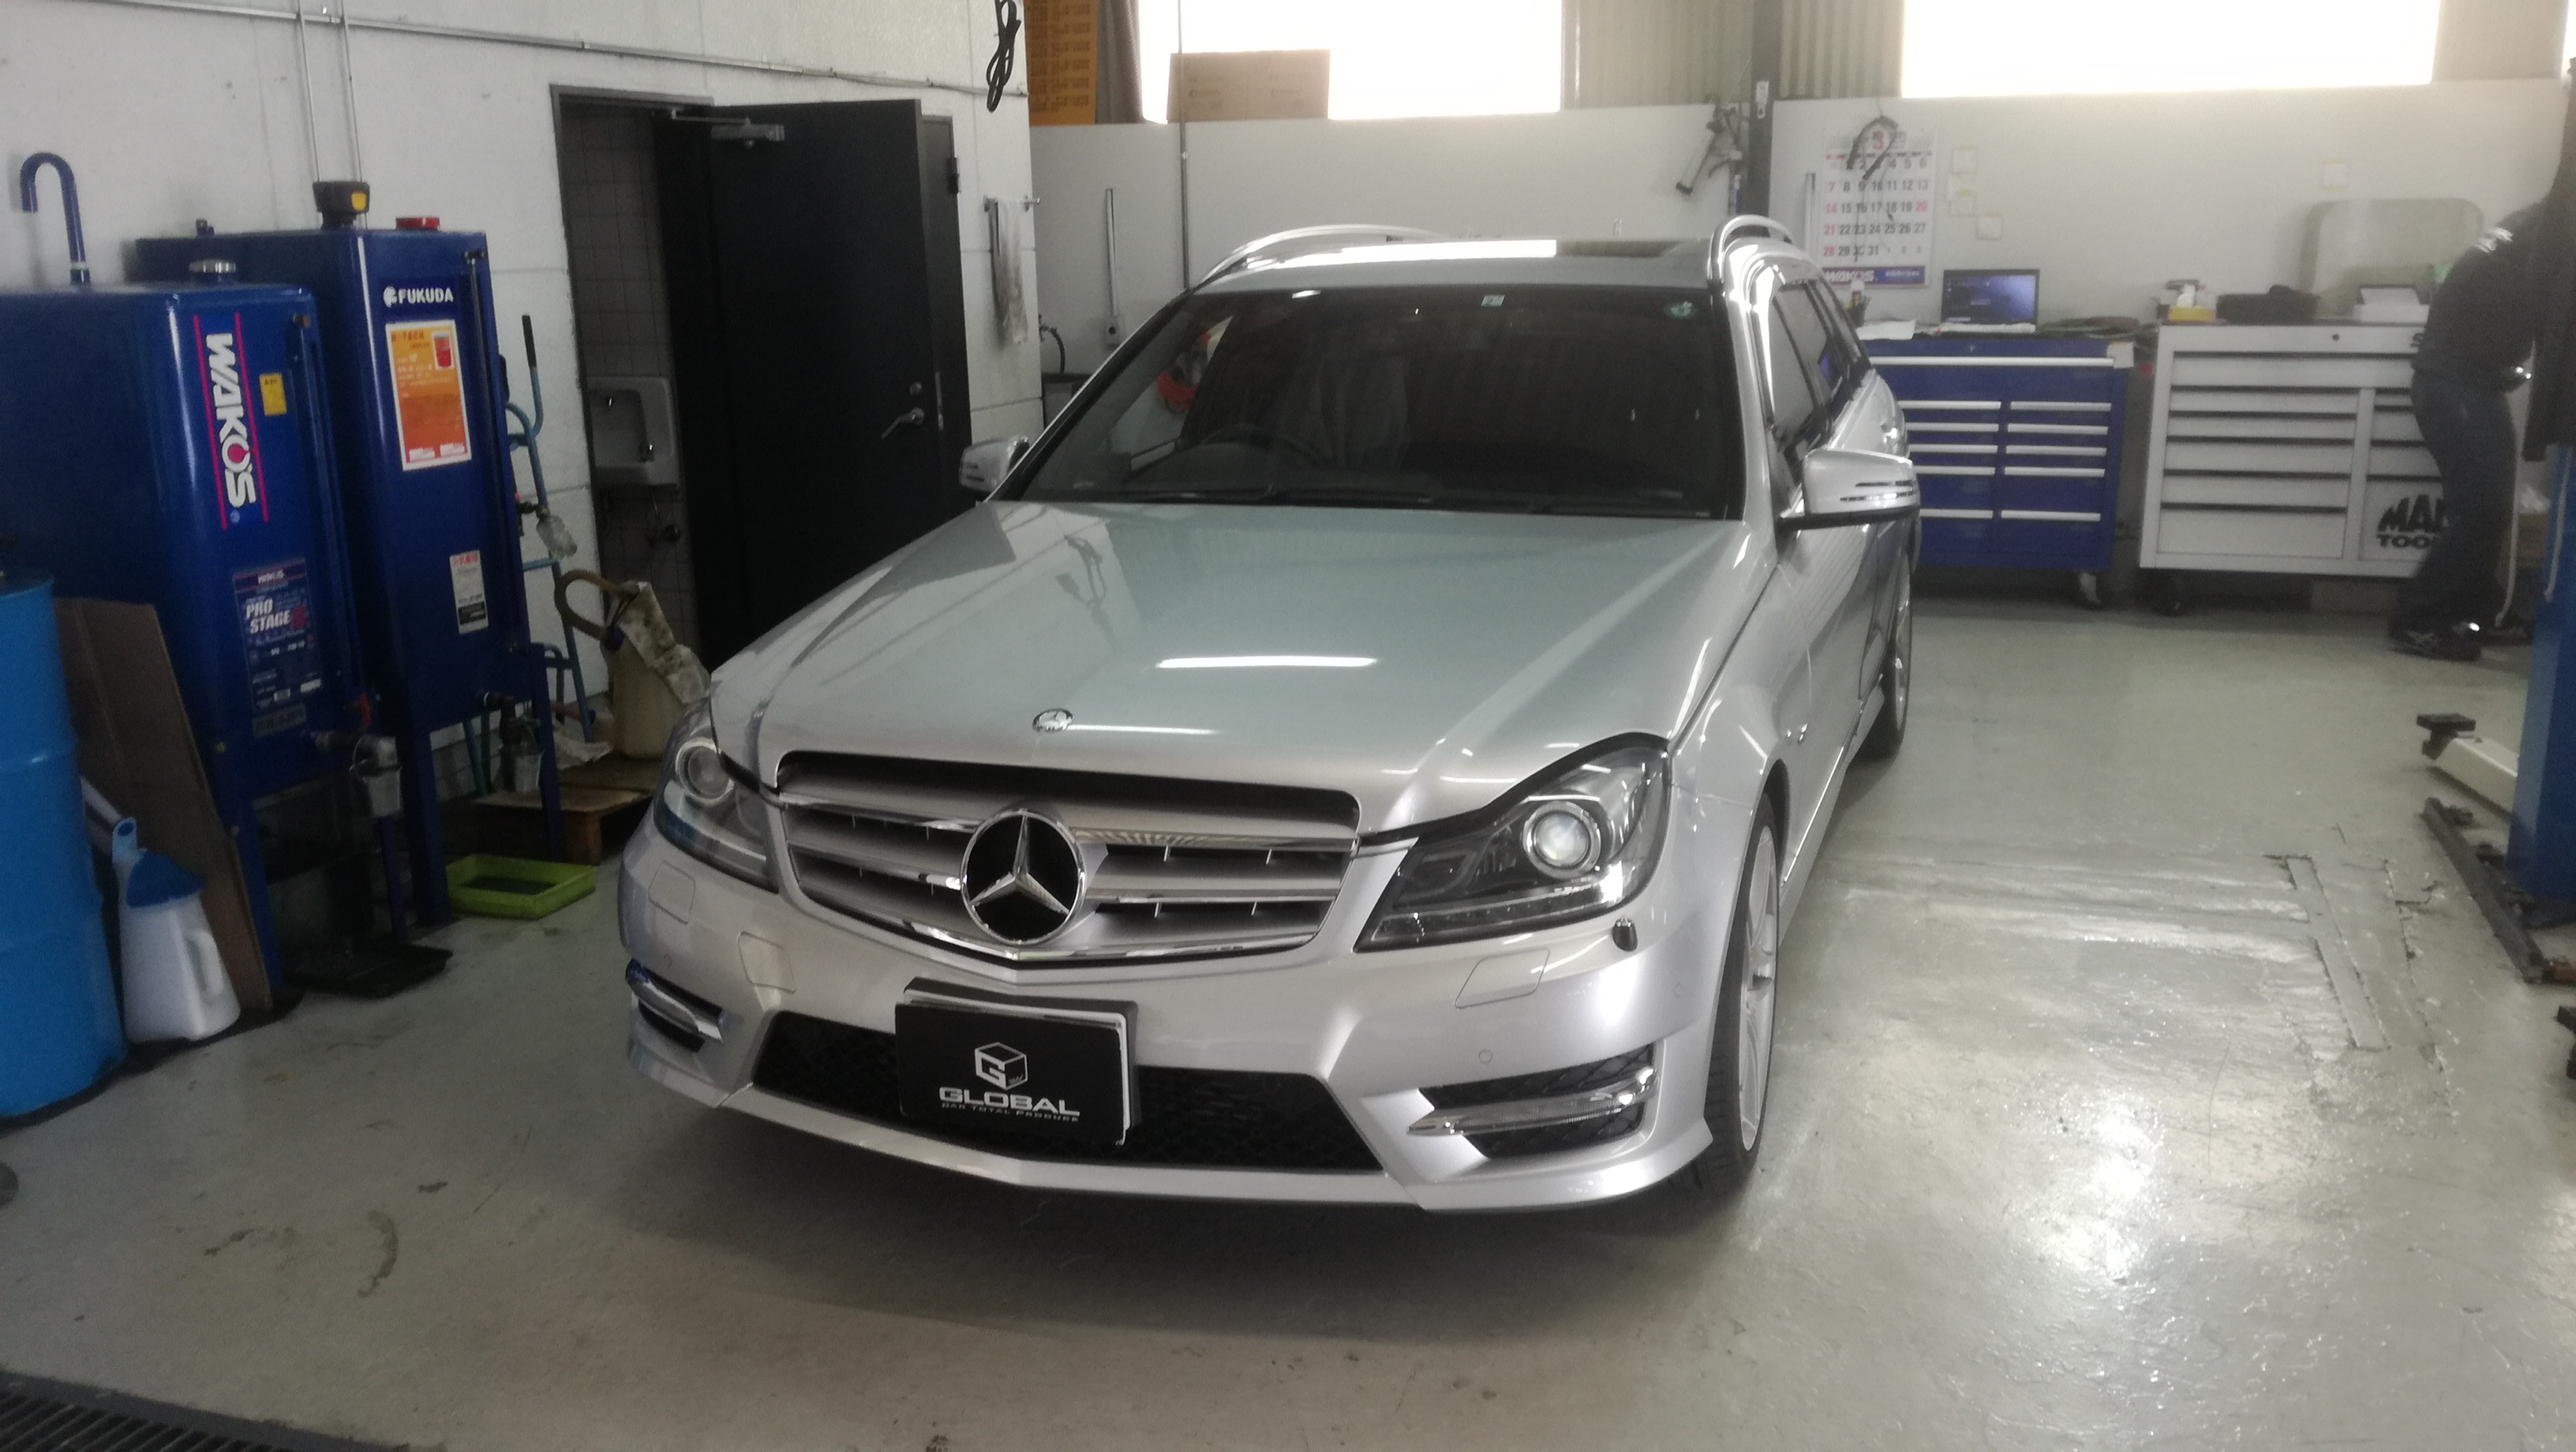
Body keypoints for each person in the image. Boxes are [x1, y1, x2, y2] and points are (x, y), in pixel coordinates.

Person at [2390, 204, 2545, 661]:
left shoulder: (2531, 221)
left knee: (2489, 509)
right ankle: (2419, 620)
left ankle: (2480, 611)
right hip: (2456, 383)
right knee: (2481, 509)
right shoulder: (2551, 233)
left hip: (2469, 381)